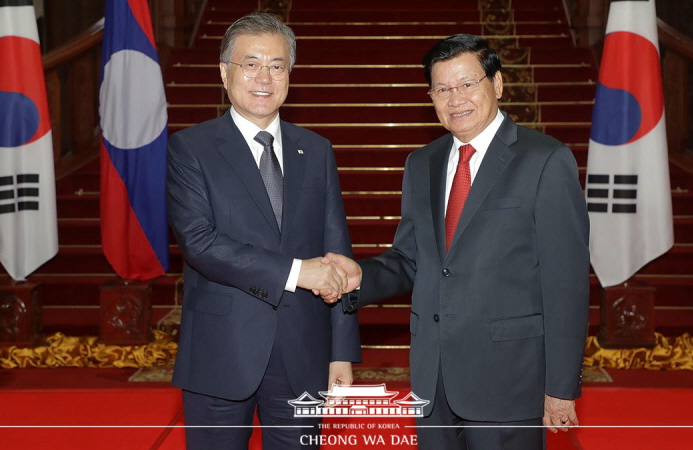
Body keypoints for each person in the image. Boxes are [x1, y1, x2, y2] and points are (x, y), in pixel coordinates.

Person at [323, 34, 590, 450]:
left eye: (467, 84)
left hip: (509, 379)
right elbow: (411, 260)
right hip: (433, 380)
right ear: (430, 96)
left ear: (497, 84)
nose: (456, 99)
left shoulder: (545, 159)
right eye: (443, 89)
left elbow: (567, 283)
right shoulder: (422, 162)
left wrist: (560, 385)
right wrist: (359, 277)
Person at [166, 12, 360, 450]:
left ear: (290, 74)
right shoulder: (189, 148)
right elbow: (200, 243)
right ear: (224, 72)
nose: (264, 77)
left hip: (304, 353)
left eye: (277, 65)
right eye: (250, 63)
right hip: (220, 351)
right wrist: (296, 272)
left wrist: (342, 350)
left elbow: (338, 255)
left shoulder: (317, 149)